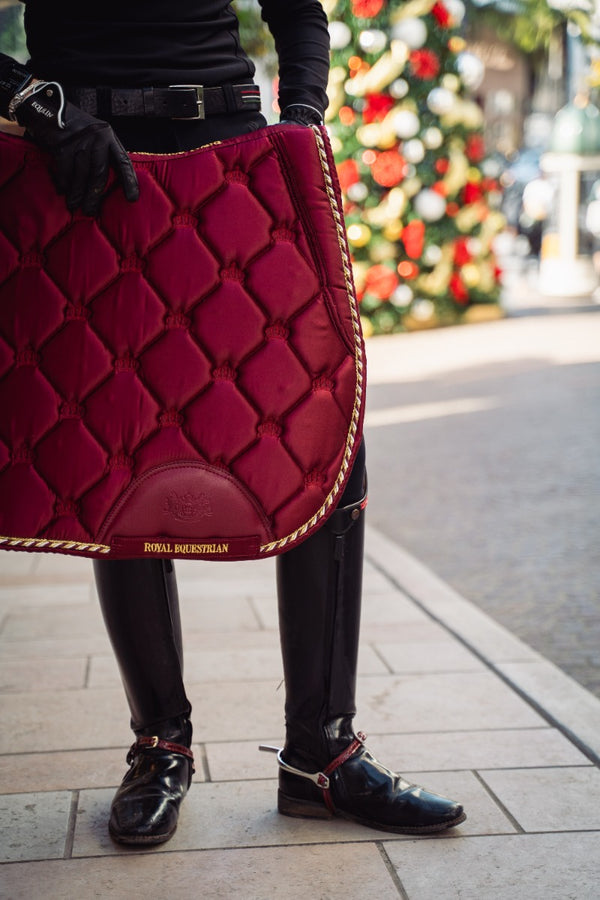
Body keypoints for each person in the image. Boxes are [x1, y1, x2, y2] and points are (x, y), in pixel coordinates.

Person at [0, 0, 465, 846]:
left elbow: (299, 13)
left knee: (325, 450)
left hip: (238, 157)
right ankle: (160, 746)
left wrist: (300, 124)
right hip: (87, 163)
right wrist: (44, 108)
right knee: (119, 463)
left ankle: (321, 757)